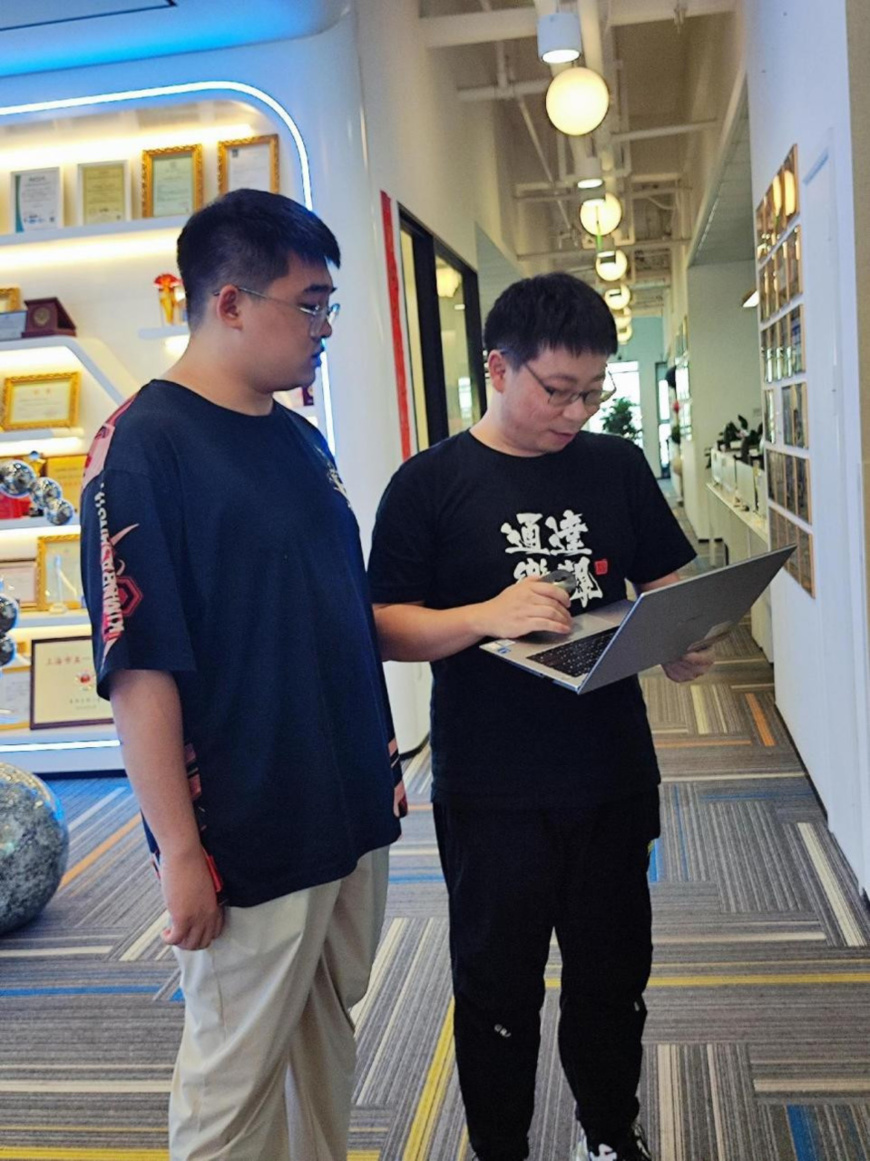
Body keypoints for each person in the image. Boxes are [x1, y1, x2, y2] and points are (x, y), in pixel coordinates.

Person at [81, 189, 405, 1161]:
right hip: (246, 820)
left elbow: (340, 615)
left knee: (321, 1040)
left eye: (328, 306)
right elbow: (140, 668)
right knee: (232, 1086)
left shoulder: (301, 439)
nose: (324, 329)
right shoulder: (143, 446)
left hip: (344, 801)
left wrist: (488, 621)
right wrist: (180, 852)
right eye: (308, 305)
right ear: (228, 301)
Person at [367, 273, 712, 1161]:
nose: (576, 412)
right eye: (557, 390)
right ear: (498, 367)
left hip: (609, 770)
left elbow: (663, 581)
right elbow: (384, 626)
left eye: (593, 391)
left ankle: (609, 1133)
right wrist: (489, 614)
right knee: (497, 988)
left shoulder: (615, 465)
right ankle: (502, 1146)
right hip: (494, 784)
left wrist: (682, 636)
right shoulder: (430, 483)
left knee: (611, 976)